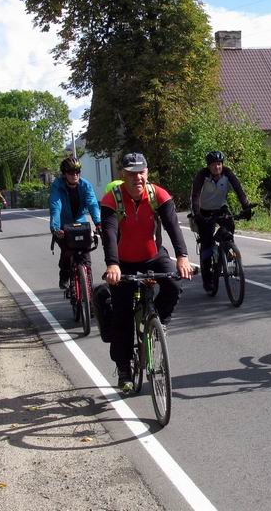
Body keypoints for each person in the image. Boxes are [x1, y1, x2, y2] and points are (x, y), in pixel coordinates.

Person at [101, 152, 192, 392]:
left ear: (147, 173)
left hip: (154, 256)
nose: (137, 178)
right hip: (124, 262)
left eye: (141, 172)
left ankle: (159, 323)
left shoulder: (158, 195)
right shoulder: (112, 199)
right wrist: (112, 264)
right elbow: (109, 234)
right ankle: (124, 369)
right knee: (121, 313)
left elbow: (173, 227)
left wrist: (182, 257)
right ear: (123, 175)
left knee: (173, 283)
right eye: (131, 173)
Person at [190, 150, 252, 289]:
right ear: (208, 166)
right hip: (204, 210)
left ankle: (227, 248)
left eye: (219, 164)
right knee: (206, 243)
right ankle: (207, 279)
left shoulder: (227, 173)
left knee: (229, 227)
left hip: (220, 208)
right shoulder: (202, 176)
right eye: (213, 165)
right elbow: (195, 196)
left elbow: (239, 190)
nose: (217, 167)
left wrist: (246, 207)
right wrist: (197, 214)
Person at [50, 156, 101, 290]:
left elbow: (93, 204)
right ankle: (64, 275)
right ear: (64, 174)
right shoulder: (57, 186)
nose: (75, 175)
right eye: (71, 172)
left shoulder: (86, 185)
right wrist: (55, 228)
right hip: (63, 223)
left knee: (85, 254)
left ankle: (88, 289)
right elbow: (56, 206)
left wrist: (99, 223)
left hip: (80, 221)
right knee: (67, 250)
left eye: (77, 172)